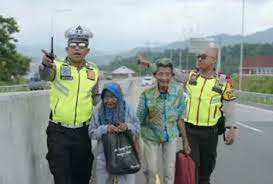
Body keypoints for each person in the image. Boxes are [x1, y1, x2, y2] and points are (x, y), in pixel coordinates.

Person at [138, 48, 237, 184]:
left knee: (206, 171)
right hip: (190, 131)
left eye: (203, 57)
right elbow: (168, 72)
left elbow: (229, 105)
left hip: (210, 132)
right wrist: (148, 63)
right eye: (198, 56)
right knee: (191, 168)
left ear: (213, 60)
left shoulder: (223, 81)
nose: (199, 59)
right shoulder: (191, 76)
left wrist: (231, 128)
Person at [39, 25, 99, 184]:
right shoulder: (56, 66)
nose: (77, 49)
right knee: (61, 177)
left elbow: (96, 98)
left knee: (82, 176)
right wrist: (46, 64)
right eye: (73, 45)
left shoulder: (94, 70)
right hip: (58, 132)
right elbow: (45, 75)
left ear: (88, 50)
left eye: (82, 45)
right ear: (67, 48)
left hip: (83, 132)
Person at [137, 58, 191, 184]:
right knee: (151, 170)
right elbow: (139, 120)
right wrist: (136, 141)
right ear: (155, 75)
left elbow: (180, 117)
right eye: (160, 74)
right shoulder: (146, 95)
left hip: (171, 135)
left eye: (167, 74)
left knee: (169, 172)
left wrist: (185, 141)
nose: (164, 78)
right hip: (151, 137)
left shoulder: (178, 92)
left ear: (172, 76)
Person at [89, 82, 140, 184]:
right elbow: (91, 132)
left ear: (119, 96)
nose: (109, 101)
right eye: (106, 97)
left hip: (125, 152)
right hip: (104, 154)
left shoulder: (126, 108)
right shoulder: (98, 110)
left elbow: (137, 128)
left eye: (113, 97)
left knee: (127, 180)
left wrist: (127, 126)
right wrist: (105, 129)